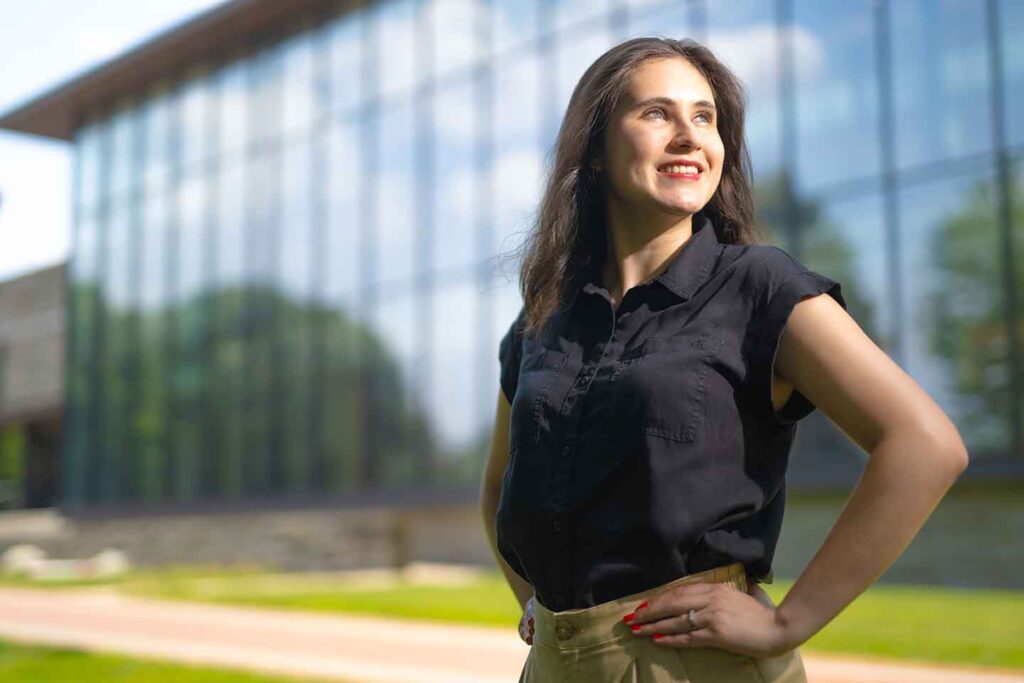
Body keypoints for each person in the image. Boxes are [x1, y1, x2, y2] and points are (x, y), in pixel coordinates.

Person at [479, 36, 969, 682]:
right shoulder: (545, 316)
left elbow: (926, 443)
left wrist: (784, 621)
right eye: (657, 113)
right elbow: (499, 489)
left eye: (705, 117)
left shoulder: (758, 285)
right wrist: (542, 609)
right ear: (594, 152)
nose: (689, 135)